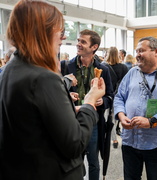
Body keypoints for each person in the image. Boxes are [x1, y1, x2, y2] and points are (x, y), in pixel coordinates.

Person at [0, 1, 105, 180]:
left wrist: (71, 109)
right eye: (60, 32)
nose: (64, 38)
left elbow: (32, 120)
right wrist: (89, 101)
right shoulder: (44, 77)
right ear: (43, 32)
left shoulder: (11, 69)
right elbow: (75, 143)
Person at [114, 36, 157, 180]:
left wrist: (151, 122)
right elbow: (119, 97)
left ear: (156, 51)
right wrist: (121, 115)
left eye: (141, 51)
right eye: (136, 51)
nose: (137, 54)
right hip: (129, 141)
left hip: (155, 143)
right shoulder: (132, 73)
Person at [60, 29, 113, 180]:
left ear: (94, 47)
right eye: (78, 41)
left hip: (94, 121)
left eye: (83, 42)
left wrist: (103, 100)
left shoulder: (103, 69)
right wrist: (68, 95)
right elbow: (57, 92)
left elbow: (110, 94)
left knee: (93, 161)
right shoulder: (65, 66)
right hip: (71, 119)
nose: (78, 44)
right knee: (73, 160)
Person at [103, 46, 128, 148]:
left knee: (107, 117)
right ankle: (114, 137)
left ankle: (113, 138)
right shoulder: (124, 67)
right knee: (115, 118)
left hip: (106, 96)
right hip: (119, 96)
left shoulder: (103, 67)